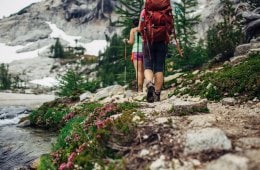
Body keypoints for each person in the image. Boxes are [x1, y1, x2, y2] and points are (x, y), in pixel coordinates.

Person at [139, 2, 183, 103]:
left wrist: (143, 35)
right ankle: (157, 94)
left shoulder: (145, 11)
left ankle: (150, 83)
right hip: (162, 41)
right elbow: (171, 27)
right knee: (159, 67)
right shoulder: (166, 11)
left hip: (148, 41)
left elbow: (141, 26)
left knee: (148, 66)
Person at [124, 18, 144, 92]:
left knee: (138, 71)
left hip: (136, 51)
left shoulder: (133, 30)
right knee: (144, 70)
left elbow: (131, 42)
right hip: (144, 51)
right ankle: (145, 87)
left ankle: (140, 89)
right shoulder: (143, 29)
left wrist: (126, 41)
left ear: (133, 24)